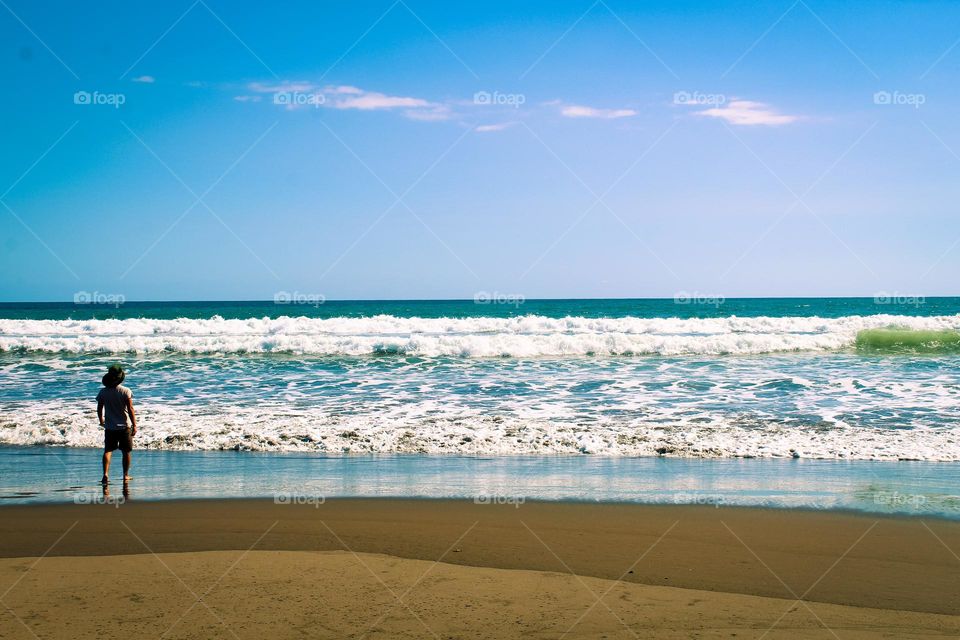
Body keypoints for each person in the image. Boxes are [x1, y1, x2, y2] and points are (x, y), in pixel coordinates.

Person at [96, 364, 137, 484]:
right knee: (126, 452)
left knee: (108, 450)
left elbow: (99, 409)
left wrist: (101, 421)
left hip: (110, 427)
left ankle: (105, 475)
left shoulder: (103, 392)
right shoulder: (125, 391)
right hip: (124, 426)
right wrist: (135, 425)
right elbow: (130, 409)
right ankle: (125, 475)